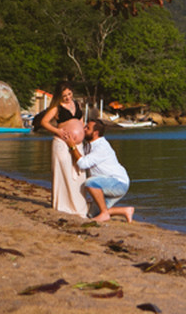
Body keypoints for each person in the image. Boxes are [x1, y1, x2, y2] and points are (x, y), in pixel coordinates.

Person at [38, 82, 88, 217]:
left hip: (77, 144)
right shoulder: (56, 107)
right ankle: (64, 206)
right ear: (59, 96)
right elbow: (44, 122)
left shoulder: (77, 104)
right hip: (61, 142)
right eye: (64, 95)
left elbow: (80, 120)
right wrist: (58, 131)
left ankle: (80, 206)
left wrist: (82, 132)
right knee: (64, 172)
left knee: (79, 173)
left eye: (69, 94)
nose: (67, 97)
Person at [74, 118, 134, 223]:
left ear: (95, 133)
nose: (84, 129)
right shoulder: (89, 144)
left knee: (90, 183)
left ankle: (105, 214)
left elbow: (83, 164)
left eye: (87, 128)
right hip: (107, 182)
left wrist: (71, 146)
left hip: (118, 183)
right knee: (91, 214)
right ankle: (126, 210)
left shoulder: (101, 147)